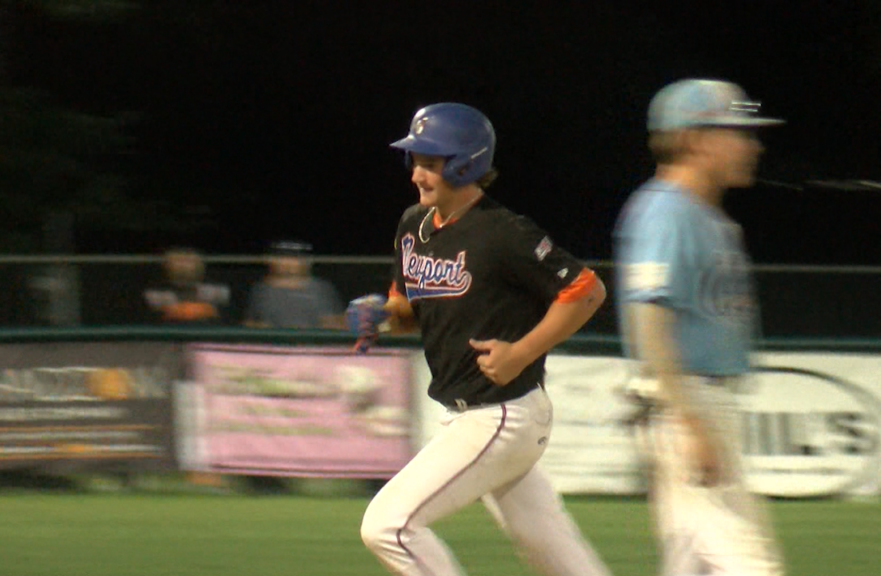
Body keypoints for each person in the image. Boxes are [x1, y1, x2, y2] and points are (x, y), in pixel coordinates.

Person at [357, 102, 612, 576]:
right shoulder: (413, 225)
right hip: (473, 417)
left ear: (465, 164)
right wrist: (381, 316)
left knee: (387, 526)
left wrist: (522, 351)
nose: (417, 173)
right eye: (415, 160)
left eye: (430, 163)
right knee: (555, 553)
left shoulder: (503, 232)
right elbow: (409, 312)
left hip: (501, 414)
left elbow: (586, 291)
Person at [613, 79, 786, 576]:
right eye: (738, 132)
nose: (753, 145)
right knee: (751, 563)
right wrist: (688, 420)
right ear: (696, 139)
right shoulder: (665, 211)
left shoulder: (706, 216)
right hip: (685, 402)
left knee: (693, 565)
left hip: (701, 402)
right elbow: (649, 322)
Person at [244, 240, 345, 329]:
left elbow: (335, 324)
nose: (287, 263)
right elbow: (250, 324)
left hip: (313, 346)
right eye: (282, 257)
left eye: (294, 258)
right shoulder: (262, 290)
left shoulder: (321, 289)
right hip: (275, 346)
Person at [144, 247, 230, 324]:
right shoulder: (156, 297)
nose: (184, 270)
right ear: (167, 270)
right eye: (179, 266)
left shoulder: (217, 293)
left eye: (188, 265)